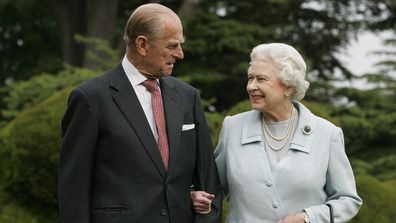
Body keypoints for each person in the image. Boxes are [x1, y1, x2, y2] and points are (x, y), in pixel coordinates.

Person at [59, 3, 222, 223]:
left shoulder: (188, 97)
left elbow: (209, 182)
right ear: (142, 44)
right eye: (172, 45)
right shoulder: (90, 98)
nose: (180, 54)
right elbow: (73, 190)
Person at [191, 43, 362, 223]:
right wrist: (195, 195)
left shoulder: (327, 135)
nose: (251, 86)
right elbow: (212, 187)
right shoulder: (233, 127)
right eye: (250, 78)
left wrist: (308, 217)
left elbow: (348, 200)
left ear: (288, 86)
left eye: (261, 79)